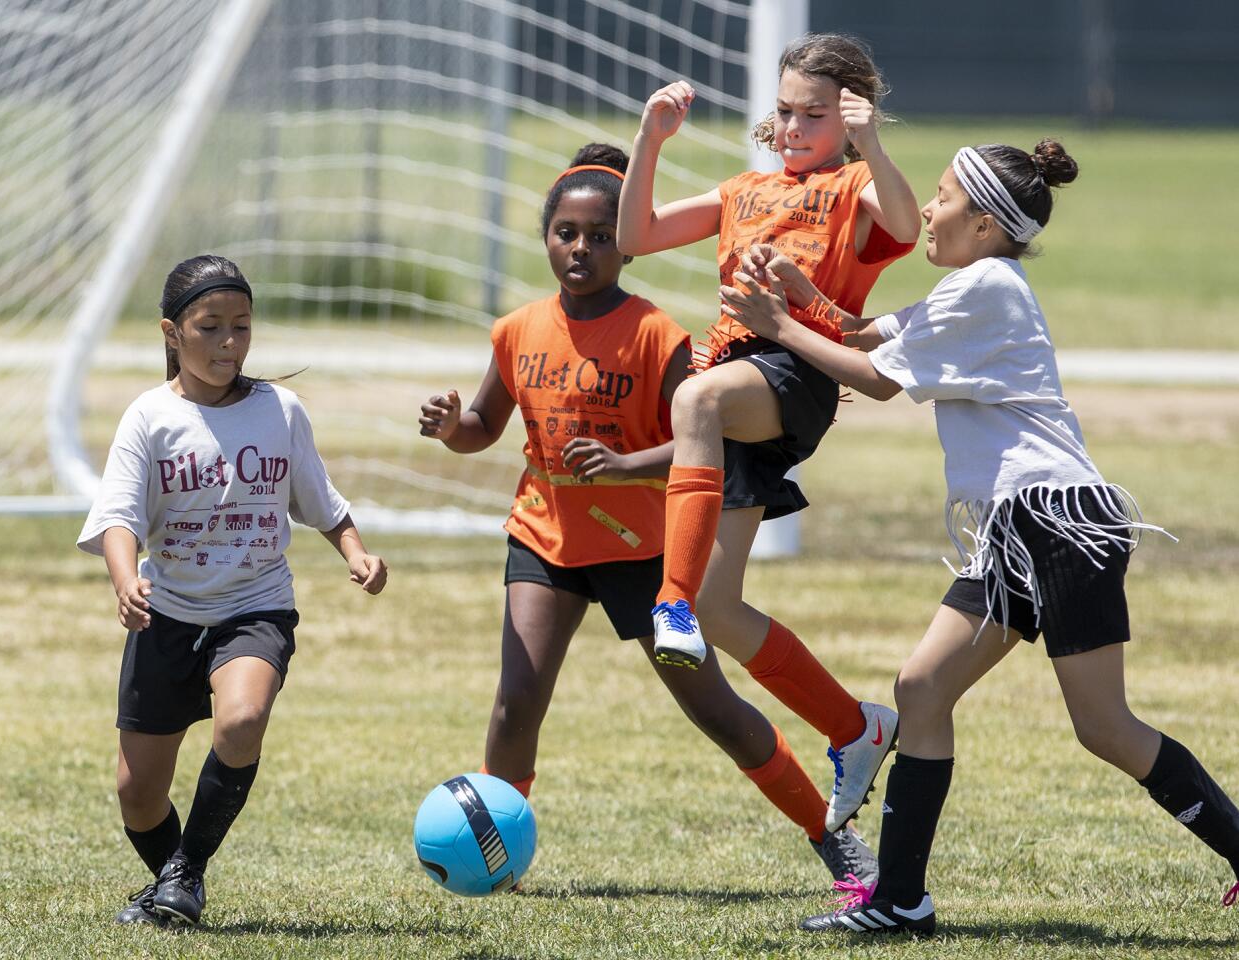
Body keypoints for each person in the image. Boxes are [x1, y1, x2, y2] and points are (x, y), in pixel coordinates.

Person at [719, 139, 1239, 935]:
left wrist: (777, 327)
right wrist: (800, 298)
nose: (927, 210)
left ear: (988, 224)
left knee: (1103, 727)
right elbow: (864, 336)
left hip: (1059, 522)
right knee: (922, 688)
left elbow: (876, 379)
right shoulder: (975, 284)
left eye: (940, 196)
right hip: (1016, 526)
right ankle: (899, 902)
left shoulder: (986, 287)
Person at [419, 143, 878, 888]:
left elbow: (702, 442)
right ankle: (492, 858)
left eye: (601, 236)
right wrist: (451, 427)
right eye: (566, 233)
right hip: (545, 538)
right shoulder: (515, 330)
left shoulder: (656, 335)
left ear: (625, 250)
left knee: (715, 711)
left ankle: (830, 839)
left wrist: (626, 465)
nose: (580, 249)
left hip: (642, 548)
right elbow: (481, 427)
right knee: (514, 707)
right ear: (545, 237)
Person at [617, 33, 919, 832]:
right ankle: (856, 726)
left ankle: (667, 604)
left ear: (848, 115)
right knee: (725, 611)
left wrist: (869, 141)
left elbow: (903, 223)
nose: (792, 128)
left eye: (812, 115)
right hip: (736, 391)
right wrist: (648, 140)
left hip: (791, 372)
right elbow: (635, 236)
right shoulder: (743, 188)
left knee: (693, 402)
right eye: (783, 112)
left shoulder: (856, 181)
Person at [77, 255, 387, 927]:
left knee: (242, 721)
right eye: (211, 327)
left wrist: (357, 552)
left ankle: (183, 876)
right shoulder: (149, 418)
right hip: (167, 615)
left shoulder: (279, 410)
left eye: (241, 327)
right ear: (171, 332)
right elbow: (118, 518)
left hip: (254, 606)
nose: (229, 343)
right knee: (137, 796)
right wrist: (126, 580)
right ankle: (173, 884)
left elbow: (321, 501)